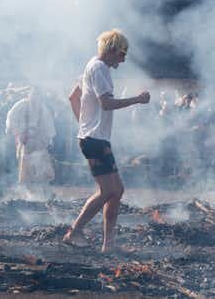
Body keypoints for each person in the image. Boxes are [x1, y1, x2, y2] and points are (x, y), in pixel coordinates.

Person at [63, 29, 150, 253]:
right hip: (95, 140)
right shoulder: (99, 68)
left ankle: (108, 245)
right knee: (106, 191)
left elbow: (73, 96)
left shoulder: (93, 66)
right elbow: (106, 104)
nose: (123, 59)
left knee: (117, 190)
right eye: (122, 53)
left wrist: (84, 126)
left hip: (95, 138)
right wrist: (138, 100)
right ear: (111, 50)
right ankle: (74, 232)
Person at [5, 87, 56, 185]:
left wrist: (48, 140)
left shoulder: (43, 109)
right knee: (25, 165)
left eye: (38, 97)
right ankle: (27, 190)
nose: (35, 99)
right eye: (33, 96)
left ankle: (43, 188)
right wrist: (17, 133)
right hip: (24, 140)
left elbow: (49, 126)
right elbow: (11, 119)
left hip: (39, 140)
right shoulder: (20, 106)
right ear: (29, 96)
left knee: (42, 165)